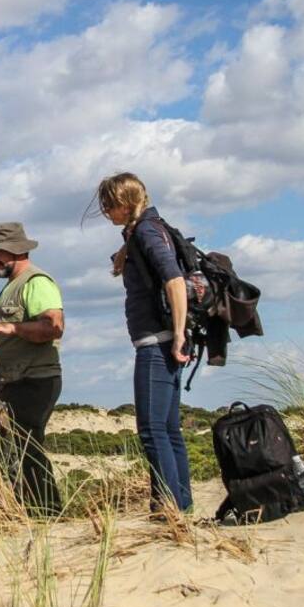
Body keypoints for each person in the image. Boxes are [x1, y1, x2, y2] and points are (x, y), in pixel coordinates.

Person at [95, 172, 193, 513]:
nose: (106, 212)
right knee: (168, 429)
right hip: (162, 339)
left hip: (158, 340)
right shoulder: (144, 230)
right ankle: (181, 507)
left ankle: (169, 510)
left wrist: (179, 334)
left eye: (109, 205)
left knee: (152, 430)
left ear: (125, 203)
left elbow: (175, 281)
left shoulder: (148, 231)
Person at [0, 222, 65, 516]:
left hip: (34, 380)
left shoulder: (35, 282)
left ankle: (47, 513)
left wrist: (10, 327)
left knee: (25, 449)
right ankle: (35, 512)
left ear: (16, 250)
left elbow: (54, 327)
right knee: (17, 450)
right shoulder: (12, 287)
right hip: (15, 382)